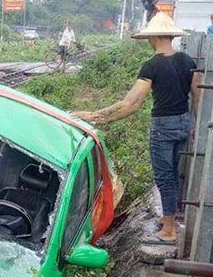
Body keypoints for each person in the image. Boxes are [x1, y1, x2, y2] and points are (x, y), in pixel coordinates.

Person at [74, 12, 200, 245]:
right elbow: (197, 97)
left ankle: (169, 231)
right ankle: (168, 217)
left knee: (164, 177)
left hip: (162, 127)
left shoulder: (151, 66)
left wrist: (94, 116)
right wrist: (194, 126)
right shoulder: (187, 61)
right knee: (172, 172)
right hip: (183, 124)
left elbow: (130, 104)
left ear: (155, 37)